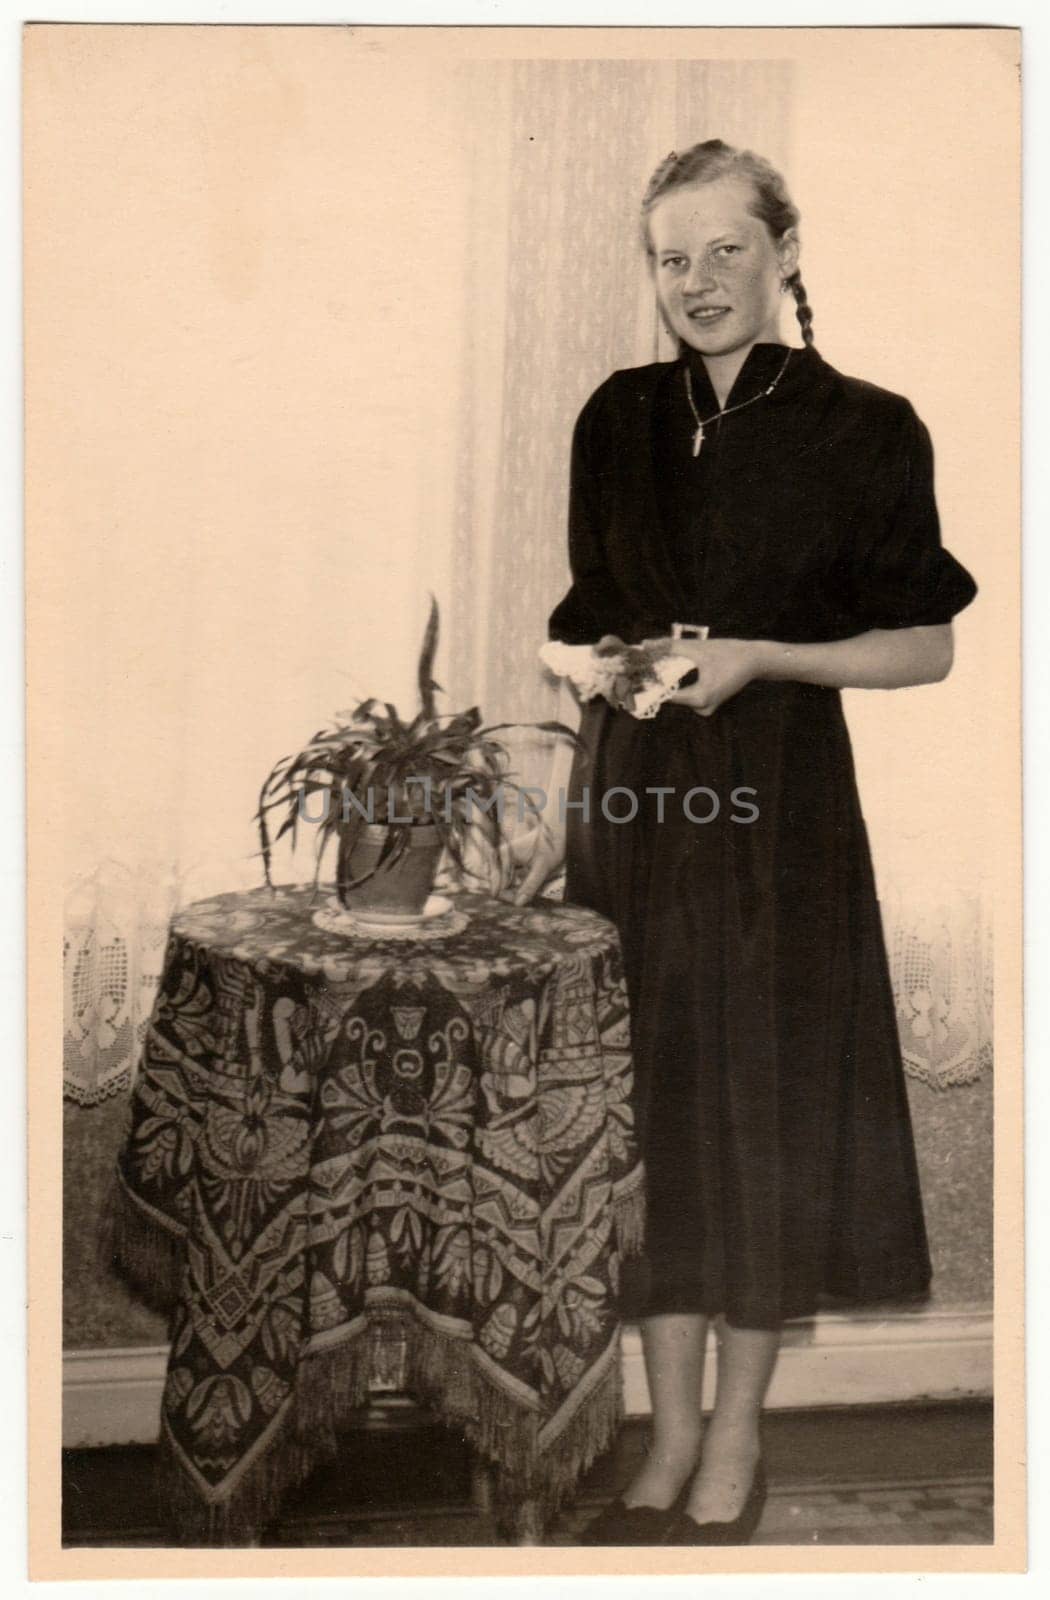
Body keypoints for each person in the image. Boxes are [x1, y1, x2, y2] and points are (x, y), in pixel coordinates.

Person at [502, 140, 977, 1546]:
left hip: (778, 819)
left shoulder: (867, 426)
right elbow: (579, 628)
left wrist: (763, 656)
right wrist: (574, 734)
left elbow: (927, 648)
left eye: (723, 250)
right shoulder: (617, 417)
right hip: (635, 812)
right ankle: (663, 1443)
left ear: (782, 252)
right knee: (651, 1117)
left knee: (758, 1126)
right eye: (669, 257)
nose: (696, 281)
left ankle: (735, 1445)